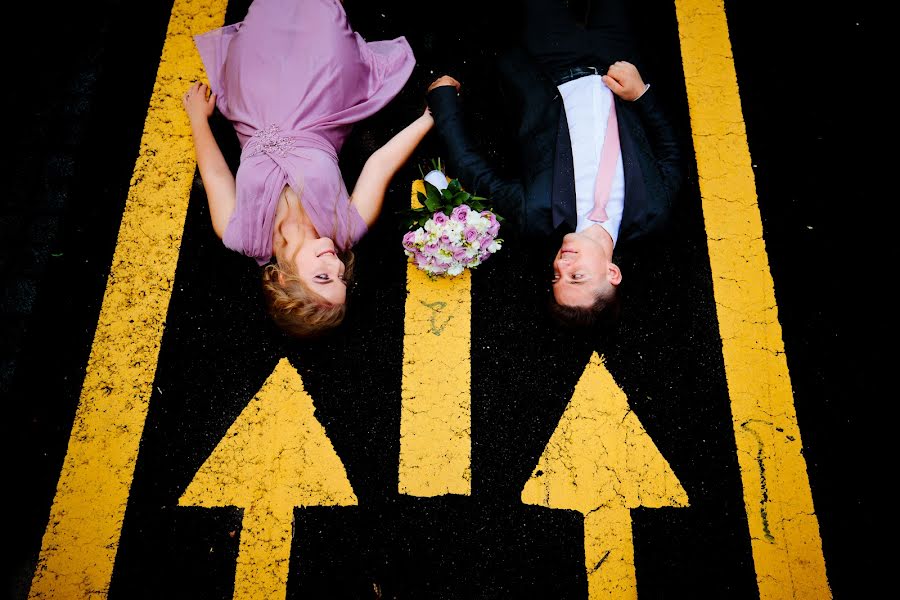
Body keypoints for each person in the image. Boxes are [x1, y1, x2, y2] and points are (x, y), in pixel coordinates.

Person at [425, 0, 684, 328]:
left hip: (550, 62)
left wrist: (443, 101)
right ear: (612, 272)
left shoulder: (536, 213)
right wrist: (641, 95)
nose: (562, 266)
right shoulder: (653, 212)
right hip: (617, 63)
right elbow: (670, 152)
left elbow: (472, 171)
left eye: (556, 277)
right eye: (576, 276)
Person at [183, 0, 433, 337]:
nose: (335, 263)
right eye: (340, 277)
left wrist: (198, 118)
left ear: (284, 278)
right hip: (323, 98)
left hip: (253, 104)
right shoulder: (346, 229)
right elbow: (380, 163)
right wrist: (432, 116)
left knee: (266, 9)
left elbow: (215, 173)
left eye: (323, 276)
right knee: (320, 12)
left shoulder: (238, 235)